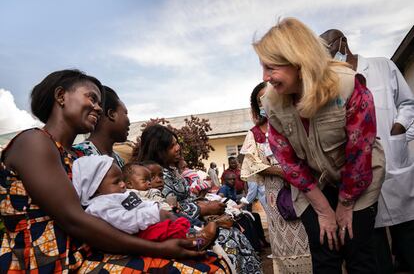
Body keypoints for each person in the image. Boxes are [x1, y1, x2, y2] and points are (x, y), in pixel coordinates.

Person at [0, 69, 229, 272]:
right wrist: (160, 249)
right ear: (61, 96)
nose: (98, 107)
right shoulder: (34, 142)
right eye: (91, 97)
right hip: (47, 264)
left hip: (84, 254)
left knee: (209, 260)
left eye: (100, 102)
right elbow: (74, 219)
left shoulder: (74, 157)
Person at [253, 18, 385, 273]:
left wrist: (345, 205)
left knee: (358, 249)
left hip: (357, 178)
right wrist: (324, 210)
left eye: (271, 67)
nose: (265, 77)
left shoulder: (348, 85)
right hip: (313, 184)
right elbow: (288, 161)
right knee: (324, 251)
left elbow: (360, 153)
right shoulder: (272, 101)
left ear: (298, 60)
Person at [321, 29, 414, 273]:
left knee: (408, 238)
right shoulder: (331, 84)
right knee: (374, 246)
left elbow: (407, 104)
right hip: (362, 173)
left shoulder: (382, 66)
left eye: (327, 48)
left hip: (394, 164)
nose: (326, 55)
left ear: (342, 42)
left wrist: (399, 129)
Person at [136, 124, 262, 274]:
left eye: (177, 143)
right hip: (178, 228)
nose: (178, 148)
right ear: (158, 149)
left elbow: (188, 198)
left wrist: (206, 205)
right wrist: (203, 208)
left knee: (234, 230)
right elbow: (164, 208)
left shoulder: (171, 171)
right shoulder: (149, 175)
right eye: (172, 146)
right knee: (227, 239)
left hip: (193, 221)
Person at [72, 155, 217, 250]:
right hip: (139, 234)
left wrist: (155, 208)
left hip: (149, 223)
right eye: (117, 182)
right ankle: (197, 242)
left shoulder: (119, 193)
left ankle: (198, 235)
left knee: (177, 224)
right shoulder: (99, 206)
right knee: (173, 234)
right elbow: (124, 221)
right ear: (94, 188)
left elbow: (141, 204)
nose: (123, 185)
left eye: (122, 180)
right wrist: (153, 214)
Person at [240, 81, 312, 272]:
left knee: (309, 229)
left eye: (269, 96)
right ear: (257, 106)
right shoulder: (254, 134)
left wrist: (295, 172)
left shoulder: (295, 121)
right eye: (260, 100)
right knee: (283, 234)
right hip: (275, 194)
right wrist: (282, 172)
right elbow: (252, 165)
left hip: (303, 186)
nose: (265, 103)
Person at [73, 85, 130, 167]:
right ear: (111, 114)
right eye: (125, 113)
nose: (129, 122)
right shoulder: (77, 155)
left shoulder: (118, 159)